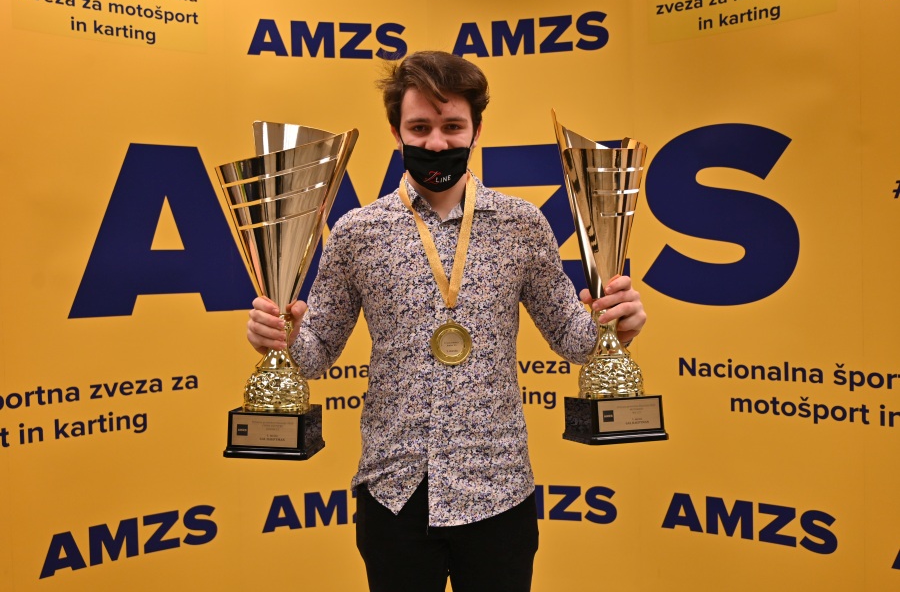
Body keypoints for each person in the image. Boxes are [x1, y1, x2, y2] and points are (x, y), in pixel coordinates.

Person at [246, 50, 646, 592]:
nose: (436, 143)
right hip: (394, 489)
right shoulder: (356, 232)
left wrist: (614, 326)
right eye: (420, 127)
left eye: (452, 126)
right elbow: (315, 353)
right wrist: (283, 337)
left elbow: (573, 339)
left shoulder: (522, 224)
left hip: (497, 488)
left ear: (477, 130)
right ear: (396, 131)